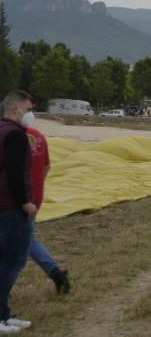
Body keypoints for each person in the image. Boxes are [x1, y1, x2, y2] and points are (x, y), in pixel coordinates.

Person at [0, 90, 37, 333]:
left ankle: (4, 313)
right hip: (11, 206)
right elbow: (15, 172)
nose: (30, 115)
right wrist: (25, 201)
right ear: (14, 109)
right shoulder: (15, 135)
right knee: (13, 260)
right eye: (27, 109)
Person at [24, 126, 70, 294]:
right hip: (34, 197)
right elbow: (46, 166)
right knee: (25, 239)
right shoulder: (38, 136)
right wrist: (35, 186)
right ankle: (56, 274)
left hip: (15, 199)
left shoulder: (8, 135)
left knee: (20, 241)